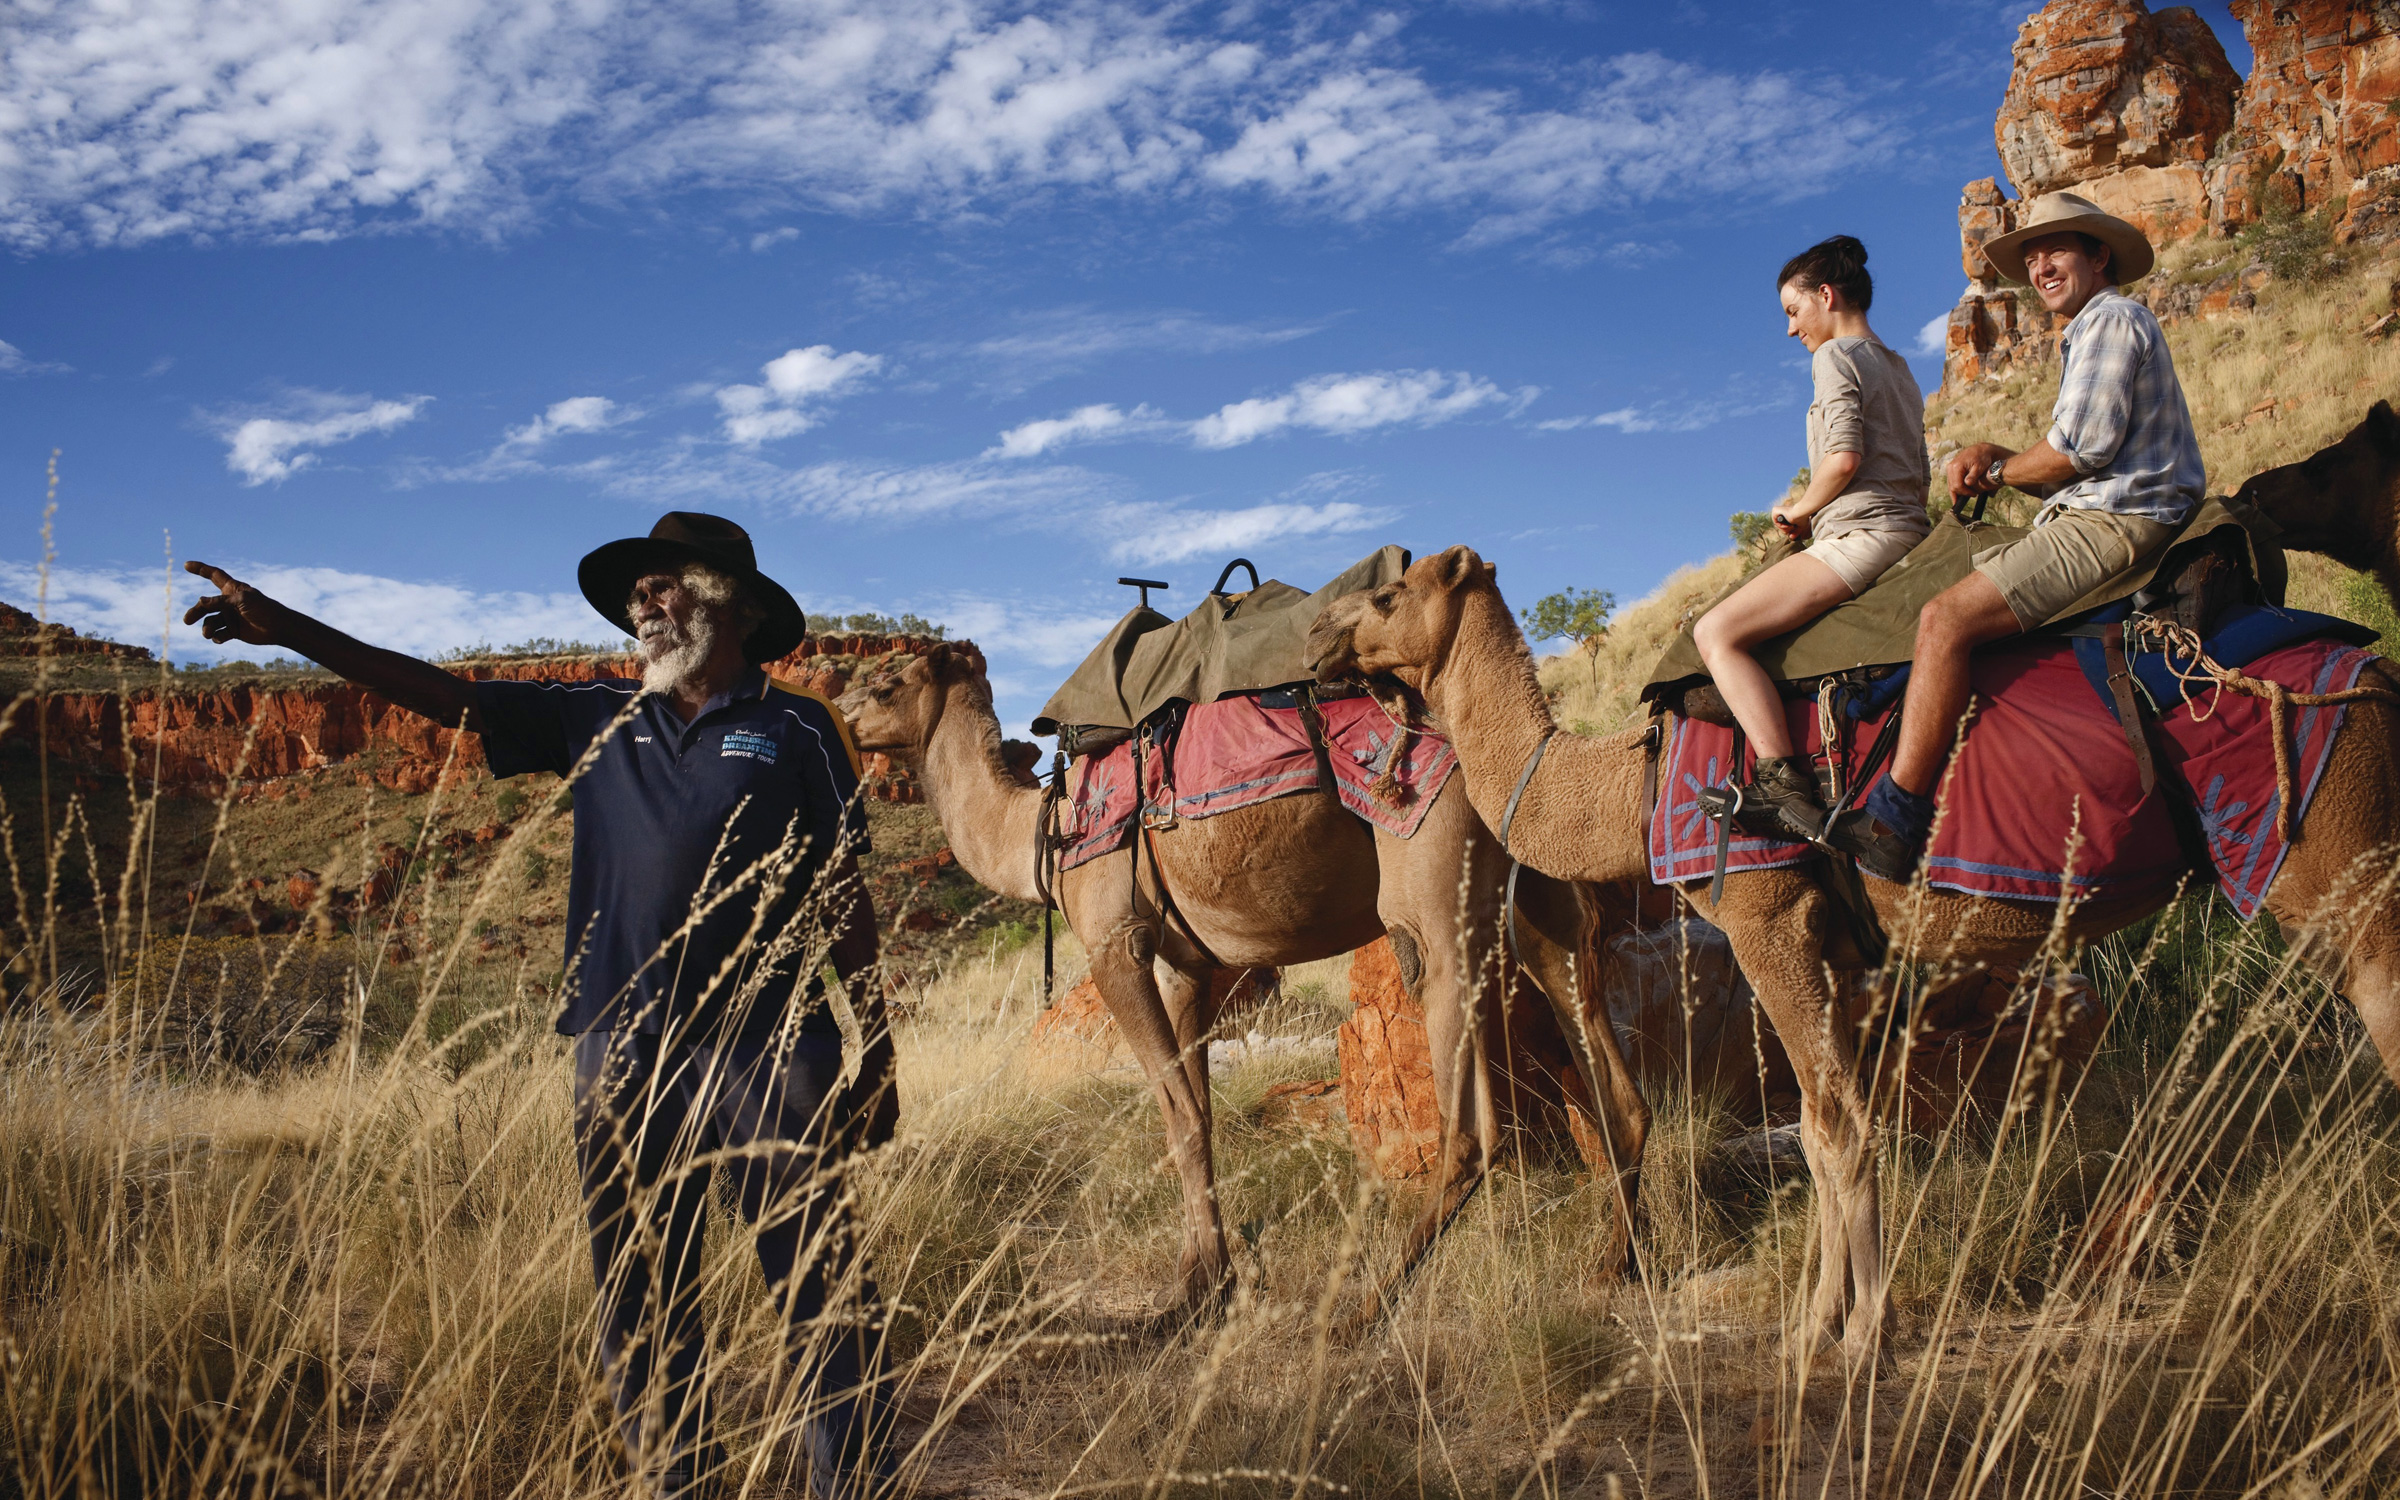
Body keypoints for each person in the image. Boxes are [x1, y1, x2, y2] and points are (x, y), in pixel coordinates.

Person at [182, 512, 899, 1499]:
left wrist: (878, 1043)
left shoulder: (797, 727)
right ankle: (674, 1482)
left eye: (664, 583)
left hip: (771, 1053)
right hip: (622, 1056)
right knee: (643, 1302)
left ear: (726, 600)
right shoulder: (598, 714)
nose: (642, 602)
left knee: (819, 1290)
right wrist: (290, 628)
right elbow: (447, 697)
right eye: (635, 591)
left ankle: (852, 1482)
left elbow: (841, 895)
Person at [1825, 191, 2205, 881]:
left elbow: (2079, 451)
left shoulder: (2111, 319)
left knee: (1943, 620)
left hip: (2115, 519)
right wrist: (2001, 455)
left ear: (2098, 255)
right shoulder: (2090, 329)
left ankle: (1896, 815)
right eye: (2030, 258)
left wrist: (1997, 469)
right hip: (2107, 506)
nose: (2040, 267)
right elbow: (2072, 454)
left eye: (2056, 250)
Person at [1692, 235, 1931, 839]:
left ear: (1825, 296)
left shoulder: (1836, 357)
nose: (1790, 329)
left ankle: (1781, 785)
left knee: (1714, 632)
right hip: (1910, 528)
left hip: (1859, 535)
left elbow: (1843, 459)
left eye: (1793, 311)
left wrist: (1797, 512)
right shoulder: (1899, 367)